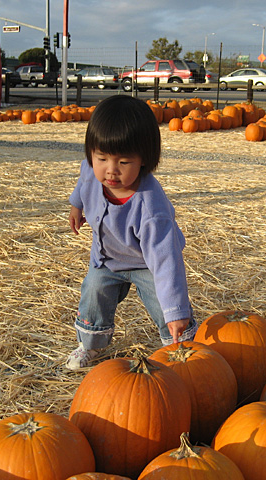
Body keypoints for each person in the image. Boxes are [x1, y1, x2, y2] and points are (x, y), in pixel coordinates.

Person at [66, 95, 197, 369]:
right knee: (93, 293)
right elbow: (84, 181)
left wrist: (176, 310)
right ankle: (90, 345)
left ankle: (180, 345)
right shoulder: (92, 170)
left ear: (144, 160)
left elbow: (166, 262)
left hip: (146, 263)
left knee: (165, 305)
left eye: (124, 162)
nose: (110, 170)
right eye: (101, 158)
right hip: (106, 260)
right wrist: (76, 206)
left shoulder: (151, 208)